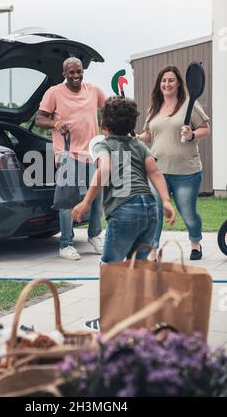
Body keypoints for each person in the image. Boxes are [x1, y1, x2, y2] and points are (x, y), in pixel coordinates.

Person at [71, 96, 176, 330]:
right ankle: (137, 317)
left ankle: (108, 320)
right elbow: (155, 172)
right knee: (137, 268)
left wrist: (86, 202)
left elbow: (105, 168)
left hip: (125, 210)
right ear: (132, 124)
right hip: (150, 209)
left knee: (110, 267)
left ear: (104, 125)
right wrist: (167, 202)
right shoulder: (139, 145)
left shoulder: (103, 144)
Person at [35, 57, 107, 260]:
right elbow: (39, 118)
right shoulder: (54, 92)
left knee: (96, 196)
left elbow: (109, 107)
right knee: (68, 199)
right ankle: (66, 244)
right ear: (64, 74)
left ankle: (95, 235)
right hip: (67, 153)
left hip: (91, 152)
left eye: (79, 71)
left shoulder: (93, 90)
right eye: (71, 72)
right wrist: (56, 125)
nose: (76, 75)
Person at [137, 65, 210, 261]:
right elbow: (149, 135)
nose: (167, 84)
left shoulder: (190, 104)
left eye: (170, 80)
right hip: (157, 170)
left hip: (186, 172)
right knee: (156, 211)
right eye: (163, 80)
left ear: (178, 83)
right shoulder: (153, 108)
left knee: (188, 213)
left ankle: (195, 243)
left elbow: (205, 129)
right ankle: (153, 250)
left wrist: (192, 134)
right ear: (159, 84)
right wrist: (137, 137)